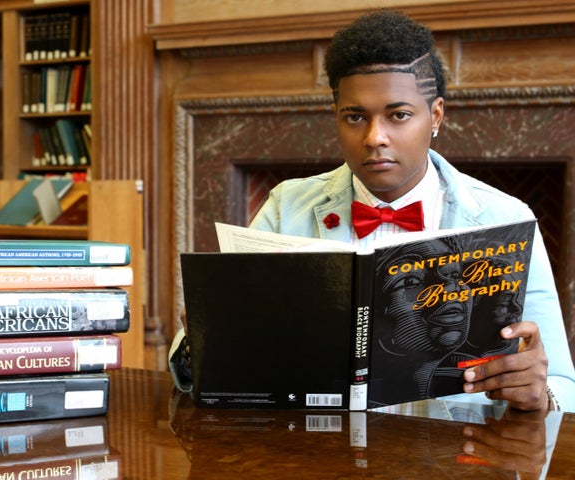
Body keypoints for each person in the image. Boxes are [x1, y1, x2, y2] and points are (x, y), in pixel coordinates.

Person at [169, 9, 575, 412]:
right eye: (355, 116)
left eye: (398, 115)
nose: (374, 137)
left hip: (458, 457)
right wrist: (202, 341)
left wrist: (542, 393)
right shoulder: (285, 206)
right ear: (336, 117)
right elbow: (190, 367)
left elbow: (562, 385)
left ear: (435, 115)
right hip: (315, 450)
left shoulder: (507, 218)